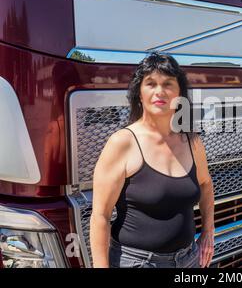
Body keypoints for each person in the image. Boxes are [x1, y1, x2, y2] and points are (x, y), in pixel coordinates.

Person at [89, 52, 215, 268]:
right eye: (151, 83)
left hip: (189, 260)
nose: (160, 91)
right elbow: (100, 216)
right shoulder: (123, 143)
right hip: (138, 263)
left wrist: (208, 232)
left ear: (179, 94)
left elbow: (205, 184)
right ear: (139, 93)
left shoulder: (192, 142)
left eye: (168, 84)